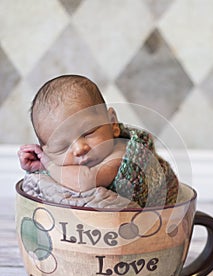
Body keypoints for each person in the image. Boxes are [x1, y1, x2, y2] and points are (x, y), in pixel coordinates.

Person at [18, 74, 179, 208]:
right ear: (46, 151)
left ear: (112, 123)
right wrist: (39, 168)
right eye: (63, 147)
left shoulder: (122, 153)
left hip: (154, 218)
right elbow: (57, 181)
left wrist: (48, 163)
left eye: (88, 132)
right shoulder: (62, 164)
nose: (80, 148)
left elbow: (84, 181)